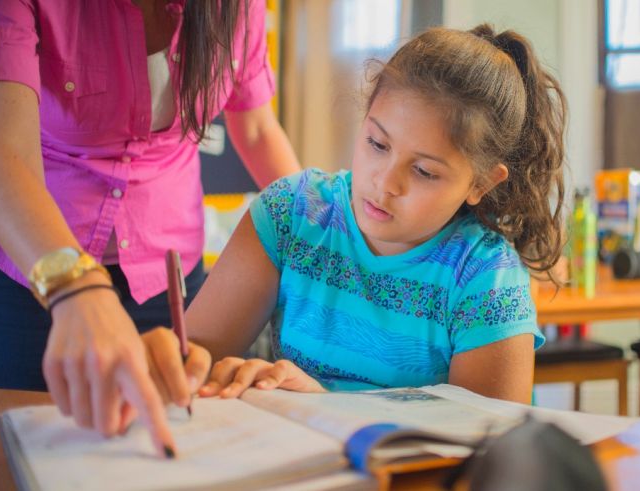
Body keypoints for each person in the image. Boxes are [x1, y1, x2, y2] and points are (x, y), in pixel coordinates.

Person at [142, 24, 567, 411]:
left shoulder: (484, 277)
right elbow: (194, 361)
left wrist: (324, 405)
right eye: (377, 144)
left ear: (482, 184)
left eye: (423, 171)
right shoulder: (290, 215)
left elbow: (489, 447)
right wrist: (190, 367)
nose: (386, 183)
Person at [0, 0, 300, 457]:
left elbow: (259, 129)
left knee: (159, 445)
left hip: (167, 273)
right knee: (20, 447)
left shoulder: (239, 7)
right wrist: (76, 288)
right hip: (28, 266)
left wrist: (322, 238)